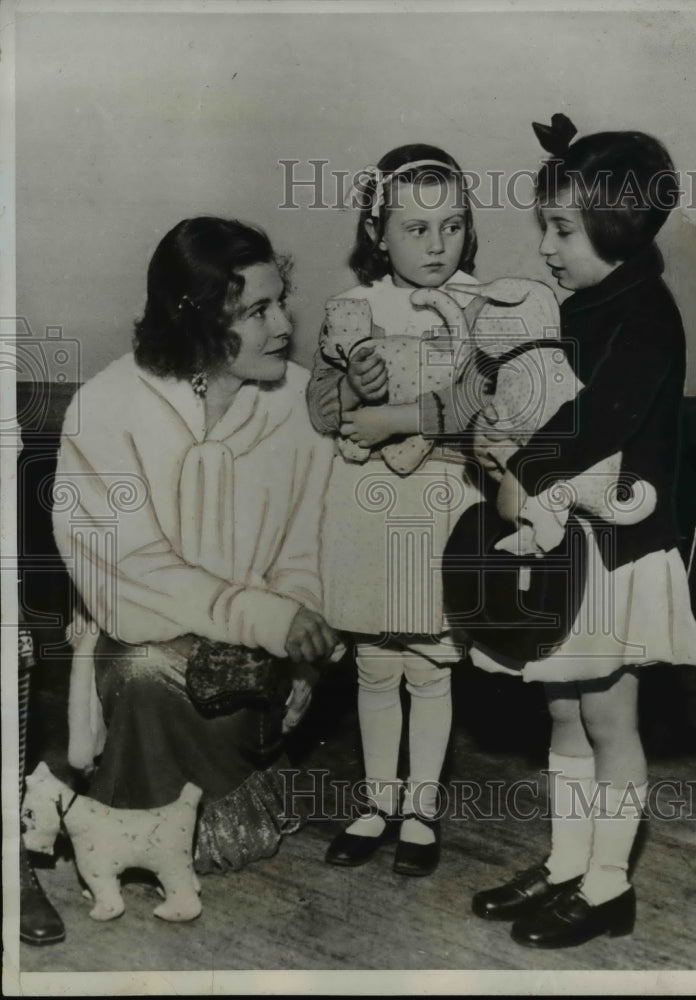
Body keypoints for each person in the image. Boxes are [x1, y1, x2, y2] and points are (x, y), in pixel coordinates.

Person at [466, 117, 696, 947]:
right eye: (544, 226)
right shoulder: (583, 307)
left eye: (561, 229)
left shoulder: (645, 314)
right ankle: (568, 862)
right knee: (563, 714)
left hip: (616, 551)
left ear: (618, 223)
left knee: (608, 721)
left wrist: (518, 469)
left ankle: (608, 885)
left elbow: (597, 420)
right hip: (571, 548)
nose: (545, 247)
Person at [52, 217, 337, 874]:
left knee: (211, 677)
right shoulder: (107, 406)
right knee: (142, 667)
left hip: (256, 658)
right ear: (197, 316)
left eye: (281, 302)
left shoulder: (301, 404)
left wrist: (303, 657)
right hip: (146, 641)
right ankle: (146, 828)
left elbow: (311, 548)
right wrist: (266, 618)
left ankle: (231, 791)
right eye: (258, 311)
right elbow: (127, 570)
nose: (284, 326)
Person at [307, 144, 483, 876]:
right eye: (416, 228)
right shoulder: (353, 310)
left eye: (451, 226)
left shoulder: (483, 307)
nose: (437, 244)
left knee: (430, 664)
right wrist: (352, 387)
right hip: (366, 505)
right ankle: (377, 802)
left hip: (439, 499)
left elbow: (482, 403)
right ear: (378, 232)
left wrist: (400, 416)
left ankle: (420, 810)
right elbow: (320, 410)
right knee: (376, 663)